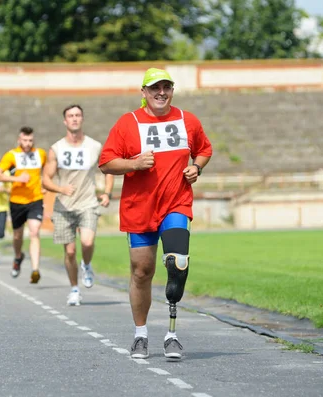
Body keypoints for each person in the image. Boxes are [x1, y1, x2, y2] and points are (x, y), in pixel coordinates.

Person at [98, 68, 212, 360]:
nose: (161, 92)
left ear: (172, 90)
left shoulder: (188, 120)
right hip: (139, 208)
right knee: (141, 271)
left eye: (166, 87)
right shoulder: (129, 123)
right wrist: (134, 164)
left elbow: (204, 149)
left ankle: (172, 335)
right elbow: (107, 162)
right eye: (154, 88)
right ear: (144, 92)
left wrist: (196, 167)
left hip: (176, 203)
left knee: (178, 263)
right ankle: (140, 335)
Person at [42, 104, 114, 306]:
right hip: (64, 206)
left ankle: (87, 264)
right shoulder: (56, 149)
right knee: (70, 252)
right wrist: (59, 189)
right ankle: (74, 289)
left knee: (88, 242)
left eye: (77, 115)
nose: (74, 119)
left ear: (82, 119)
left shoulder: (94, 146)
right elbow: (45, 179)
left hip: (88, 203)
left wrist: (106, 193)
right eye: (70, 116)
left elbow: (108, 169)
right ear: (65, 121)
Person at [0, 126, 46, 283]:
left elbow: (48, 171)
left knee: (34, 231)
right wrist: (16, 179)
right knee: (17, 235)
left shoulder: (40, 154)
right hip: (17, 201)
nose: (28, 143)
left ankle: (35, 269)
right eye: (25, 140)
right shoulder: (12, 155)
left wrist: (45, 184)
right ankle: (18, 257)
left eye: (30, 140)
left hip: (35, 199)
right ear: (19, 140)